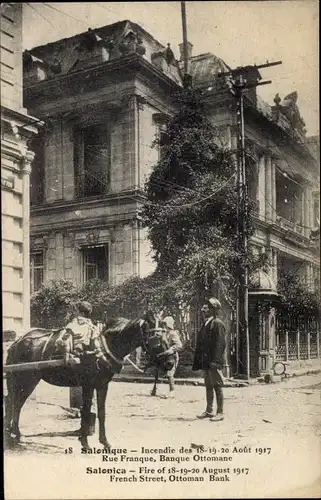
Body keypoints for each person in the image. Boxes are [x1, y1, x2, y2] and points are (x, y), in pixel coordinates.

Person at [192, 298, 226, 422]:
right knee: (208, 385)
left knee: (217, 385)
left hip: (213, 362)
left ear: (212, 310)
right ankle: (209, 410)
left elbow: (220, 344)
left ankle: (220, 412)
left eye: (206, 308)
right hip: (206, 362)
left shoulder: (217, 323)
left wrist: (216, 361)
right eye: (203, 308)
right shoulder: (206, 323)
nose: (203, 310)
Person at [63, 301, 108, 365]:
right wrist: (102, 357)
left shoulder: (73, 325)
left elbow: (66, 343)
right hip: (88, 354)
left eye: (76, 311)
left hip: (75, 354)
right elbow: (95, 344)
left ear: (82, 313)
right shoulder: (93, 327)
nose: (74, 313)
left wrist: (66, 359)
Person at [151, 316, 182, 397]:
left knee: (170, 374)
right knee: (159, 371)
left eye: (165, 324)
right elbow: (162, 345)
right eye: (163, 324)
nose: (164, 326)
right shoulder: (165, 333)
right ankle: (155, 389)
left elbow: (179, 345)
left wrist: (171, 349)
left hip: (172, 356)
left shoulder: (173, 333)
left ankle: (172, 391)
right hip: (165, 356)